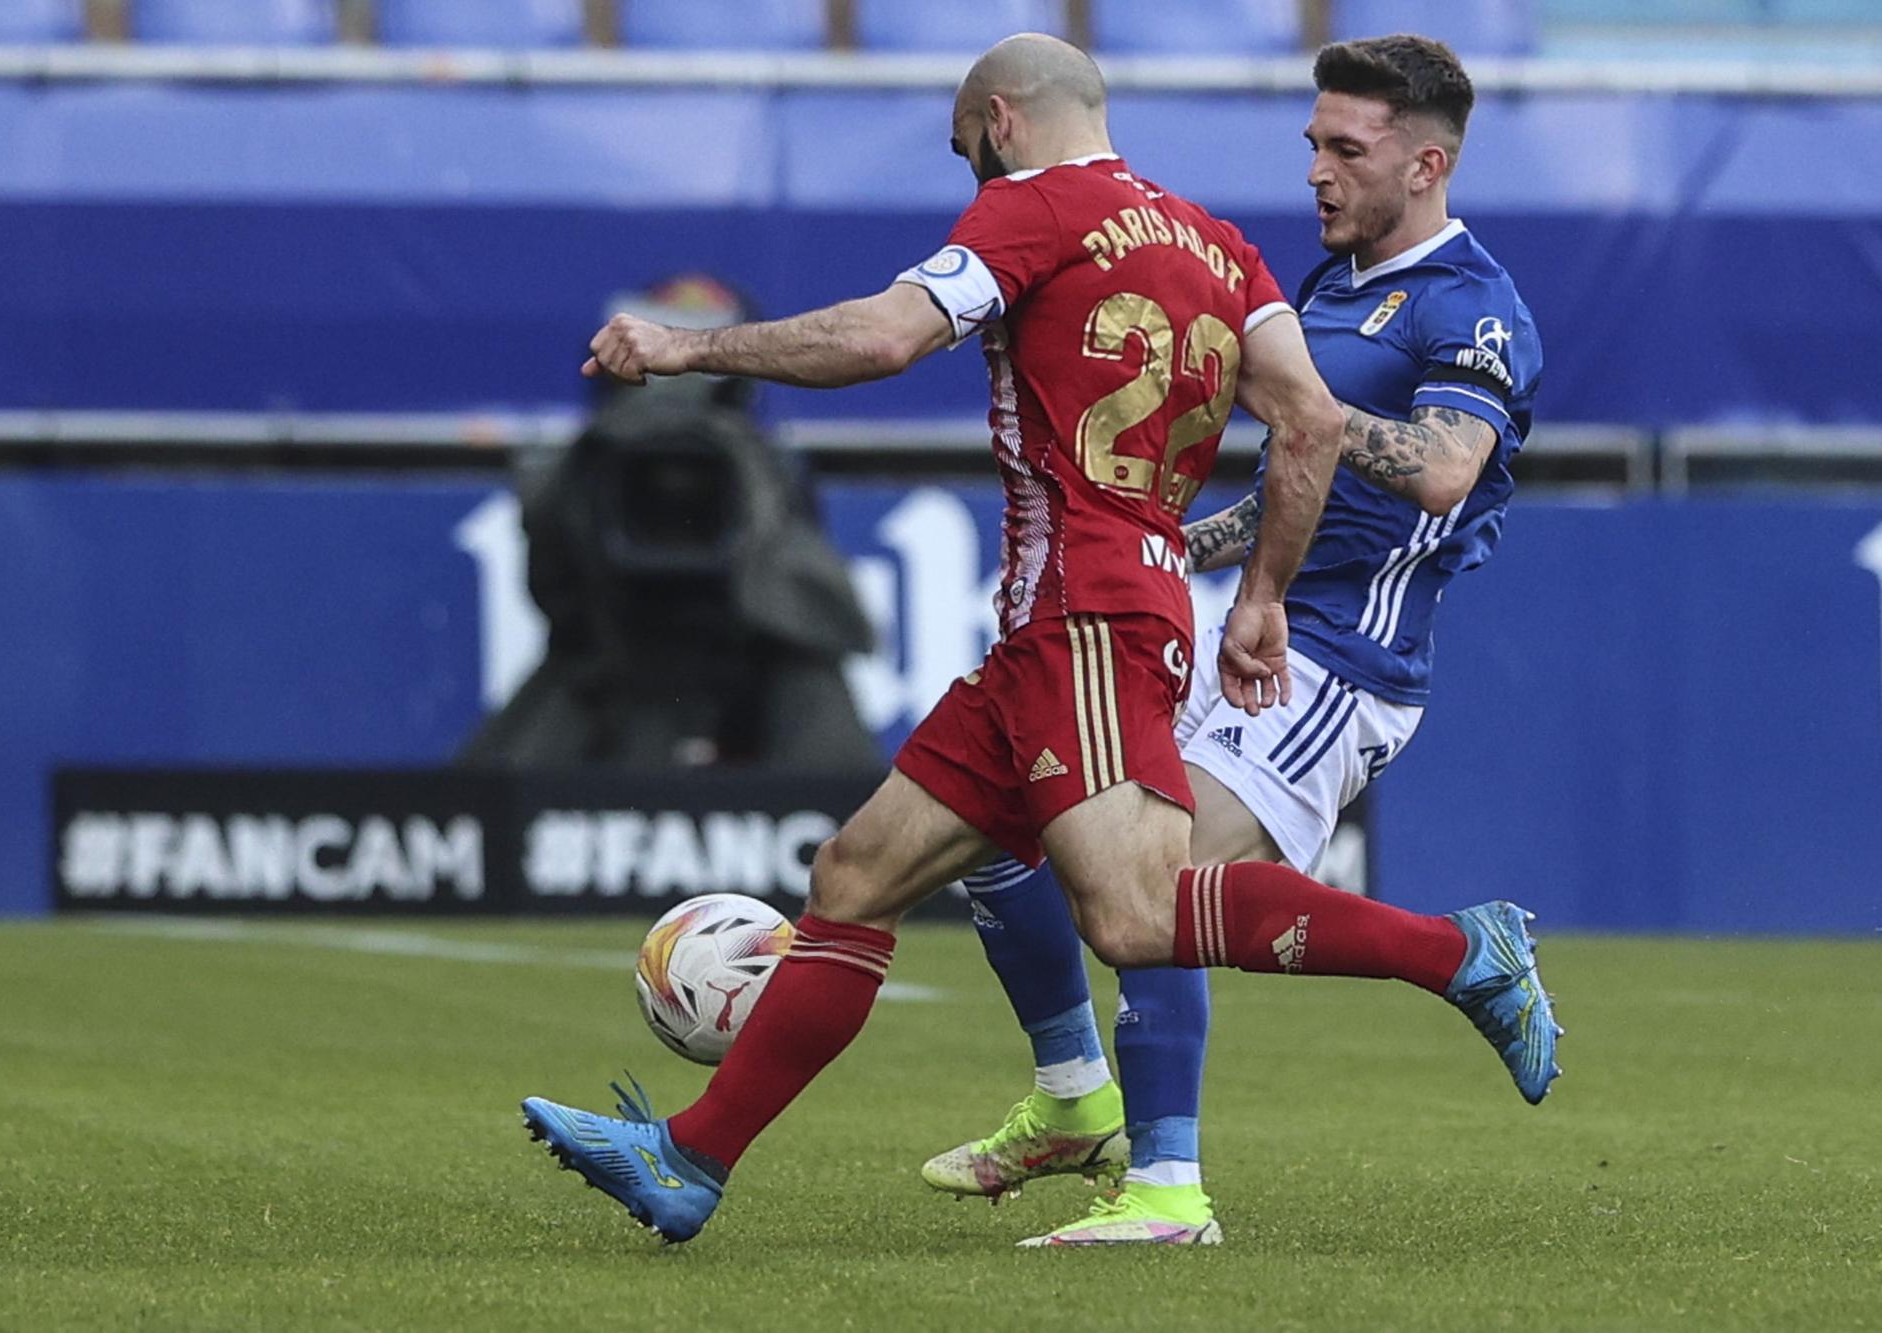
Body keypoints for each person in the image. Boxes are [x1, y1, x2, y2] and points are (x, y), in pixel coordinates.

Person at [519, 33, 1556, 1246]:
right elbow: (1306, 427)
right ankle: (696, 1157)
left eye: (971, 155)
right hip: (1082, 620)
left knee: (1131, 913)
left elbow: (879, 340)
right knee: (860, 873)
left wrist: (684, 347)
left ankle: (1424, 977)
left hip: (1138, 626)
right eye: (1312, 145)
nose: (1318, 170)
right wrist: (1241, 573)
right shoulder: (1226, 247)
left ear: (1002, 123)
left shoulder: (1036, 211)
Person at [922, 34, 1554, 1248]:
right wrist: (1167, 547)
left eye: (1344, 148)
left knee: (1149, 892)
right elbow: (1281, 487)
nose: (1316, 169)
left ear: (1425, 164)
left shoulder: (1471, 306)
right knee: (989, 825)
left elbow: (1441, 471)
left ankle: (1167, 1190)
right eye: (1310, 142)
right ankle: (1071, 1097)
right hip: (1242, 623)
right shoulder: (1329, 288)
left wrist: (1313, 414)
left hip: (1338, 660)